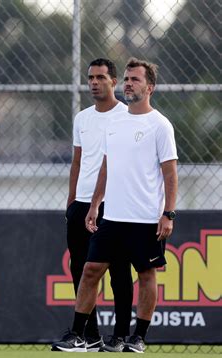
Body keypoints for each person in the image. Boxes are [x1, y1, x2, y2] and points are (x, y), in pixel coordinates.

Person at [55, 57, 178, 353]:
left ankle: (138, 336)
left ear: (150, 87)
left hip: (146, 218)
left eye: (134, 80)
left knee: (146, 275)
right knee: (90, 269)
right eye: (126, 79)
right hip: (112, 217)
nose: (128, 84)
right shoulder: (115, 123)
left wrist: (168, 213)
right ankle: (78, 334)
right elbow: (105, 167)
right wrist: (95, 204)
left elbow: (170, 172)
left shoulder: (160, 125)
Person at [52, 59, 134, 353]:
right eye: (90, 78)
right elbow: (77, 160)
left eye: (101, 77)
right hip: (81, 204)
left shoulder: (128, 116)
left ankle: (121, 335)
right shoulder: (82, 118)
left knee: (118, 270)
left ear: (114, 81)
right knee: (80, 268)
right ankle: (91, 333)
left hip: (115, 205)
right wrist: (72, 200)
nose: (94, 82)